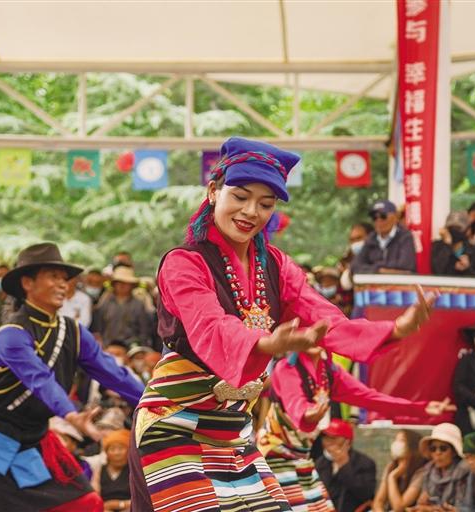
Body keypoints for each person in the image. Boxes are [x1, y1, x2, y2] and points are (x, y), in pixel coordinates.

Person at [129, 137, 437, 512]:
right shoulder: (184, 262)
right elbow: (210, 325)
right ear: (213, 192)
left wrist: (396, 329)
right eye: (240, 196)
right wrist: (264, 345)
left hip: (232, 430)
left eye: (265, 203)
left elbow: (325, 317)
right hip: (175, 424)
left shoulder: (275, 266)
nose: (251, 211)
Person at [0, 242, 144, 511]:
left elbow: (114, 373)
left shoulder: (73, 331)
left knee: (85, 503)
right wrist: (70, 414)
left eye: (64, 278)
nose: (62, 284)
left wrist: (153, 400)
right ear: (27, 283)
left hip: (33, 439)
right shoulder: (11, 334)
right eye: (53, 276)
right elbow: (39, 379)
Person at [260, 345, 453, 510]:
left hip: (301, 458)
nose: (313, 335)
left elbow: (371, 398)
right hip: (275, 455)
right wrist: (307, 414)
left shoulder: (329, 372)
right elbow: (295, 403)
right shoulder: (287, 368)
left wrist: (420, 408)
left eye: (319, 329)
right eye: (306, 328)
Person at [314, 419, 376, 512]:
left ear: (347, 441)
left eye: (333, 438)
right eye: (326, 438)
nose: (328, 442)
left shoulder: (365, 463)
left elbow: (366, 494)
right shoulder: (321, 463)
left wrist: (344, 465)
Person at [351, 200, 417, 275]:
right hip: (374, 282)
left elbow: (406, 266)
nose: (378, 220)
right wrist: (379, 270)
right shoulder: (371, 239)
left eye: (383, 216)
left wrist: (374, 267)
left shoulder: (405, 237)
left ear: (395, 217)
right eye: (374, 217)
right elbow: (355, 266)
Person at [91, 266, 151, 347]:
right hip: (107, 345)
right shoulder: (105, 302)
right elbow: (98, 326)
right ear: (114, 284)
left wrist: (142, 347)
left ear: (132, 285)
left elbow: (144, 329)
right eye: (119, 282)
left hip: (131, 346)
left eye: (126, 283)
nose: (122, 285)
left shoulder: (138, 304)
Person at [415, 423, 470, 508]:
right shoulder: (428, 471)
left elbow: (464, 506)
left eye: (443, 448)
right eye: (433, 449)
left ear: (454, 451)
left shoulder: (464, 472)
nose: (438, 453)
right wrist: (422, 503)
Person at [372, 430, 428, 512]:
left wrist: (392, 477)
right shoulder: (391, 466)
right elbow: (378, 502)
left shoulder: (421, 471)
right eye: (396, 440)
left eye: (402, 440)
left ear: (413, 446)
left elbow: (399, 507)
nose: (397, 444)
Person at [432, 211, 475, 277]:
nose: (455, 231)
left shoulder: (473, 249)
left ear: (468, 230)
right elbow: (436, 270)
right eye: (452, 228)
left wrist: (467, 268)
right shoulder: (436, 246)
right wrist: (446, 244)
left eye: (458, 228)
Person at [98, 429, 131, 511]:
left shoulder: (133, 470)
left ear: (128, 451)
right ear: (106, 452)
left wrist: (119, 504)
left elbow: (141, 498)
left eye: (121, 449)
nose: (117, 453)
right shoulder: (100, 470)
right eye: (112, 449)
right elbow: (95, 495)